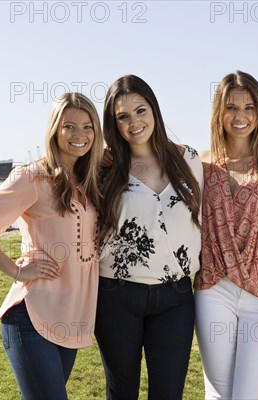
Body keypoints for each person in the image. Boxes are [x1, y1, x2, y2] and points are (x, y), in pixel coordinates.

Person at [0, 92, 104, 400]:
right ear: (54, 129)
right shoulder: (32, 177)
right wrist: (17, 271)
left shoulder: (87, 181)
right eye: (69, 126)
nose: (79, 135)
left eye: (88, 126)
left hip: (69, 319)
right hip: (30, 318)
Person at [95, 75, 203, 400]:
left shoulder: (189, 160)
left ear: (154, 110)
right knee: (121, 393)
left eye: (140, 110)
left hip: (176, 298)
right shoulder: (104, 166)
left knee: (169, 394)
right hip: (116, 296)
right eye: (123, 116)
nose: (134, 122)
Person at [194, 71, 258, 400]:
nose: (240, 116)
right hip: (213, 292)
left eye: (249, 107)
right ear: (218, 112)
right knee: (217, 394)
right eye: (231, 107)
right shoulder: (200, 164)